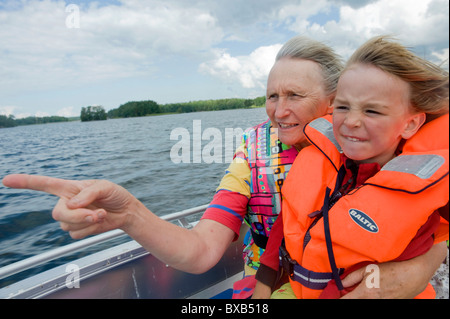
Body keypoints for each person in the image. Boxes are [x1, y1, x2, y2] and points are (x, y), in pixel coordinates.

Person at [2, 36, 446, 299]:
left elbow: (430, 230)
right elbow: (200, 253)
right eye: (272, 96)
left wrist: (416, 270)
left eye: (295, 96)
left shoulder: (387, 148)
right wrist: (129, 216)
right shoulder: (252, 155)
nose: (279, 110)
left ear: (333, 102)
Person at [253, 35, 449, 299]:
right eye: (344, 107)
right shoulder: (317, 161)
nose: (352, 121)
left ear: (410, 124)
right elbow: (283, 234)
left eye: (372, 111)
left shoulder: (418, 196)